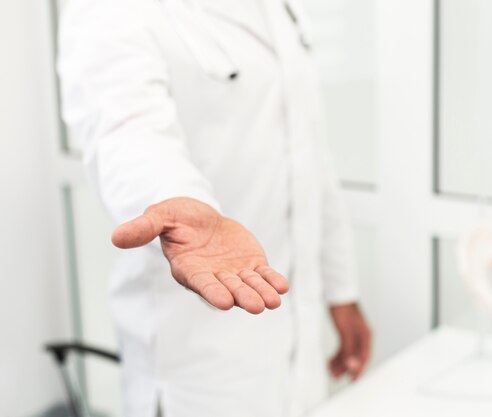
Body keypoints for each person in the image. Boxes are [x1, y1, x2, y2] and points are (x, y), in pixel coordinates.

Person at [58, 0, 371, 416]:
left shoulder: (281, 7)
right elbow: (126, 131)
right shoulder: (111, 11)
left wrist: (341, 291)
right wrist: (175, 197)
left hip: (295, 334)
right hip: (200, 366)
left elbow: (309, 157)